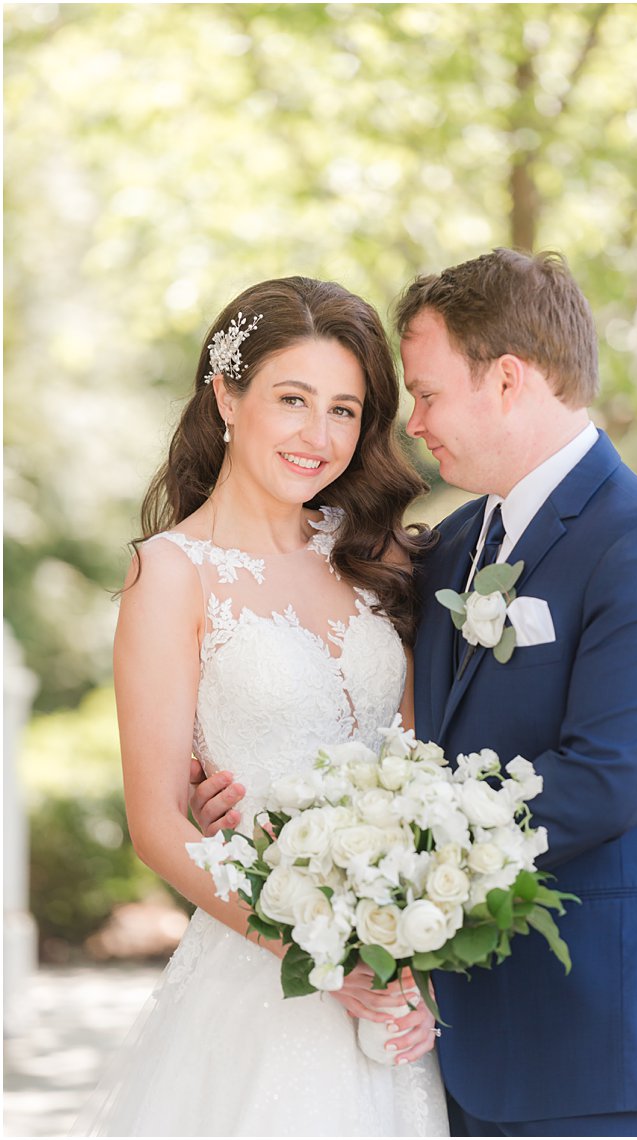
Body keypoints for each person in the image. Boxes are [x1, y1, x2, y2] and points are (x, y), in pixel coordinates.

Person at [197, 249, 637, 1137]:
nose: (413, 424)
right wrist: (246, 800)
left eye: (430, 393)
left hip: (592, 1030)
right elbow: (368, 713)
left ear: (508, 381)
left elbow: (606, 781)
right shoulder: (451, 546)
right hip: (438, 1034)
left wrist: (395, 865)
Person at [76, 277, 448, 1135]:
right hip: (262, 971)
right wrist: (321, 955)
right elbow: (160, 823)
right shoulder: (169, 574)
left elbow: (420, 768)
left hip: (392, 979)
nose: (319, 437)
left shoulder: (378, 555)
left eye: (346, 410)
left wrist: (405, 954)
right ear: (228, 395)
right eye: (293, 399)